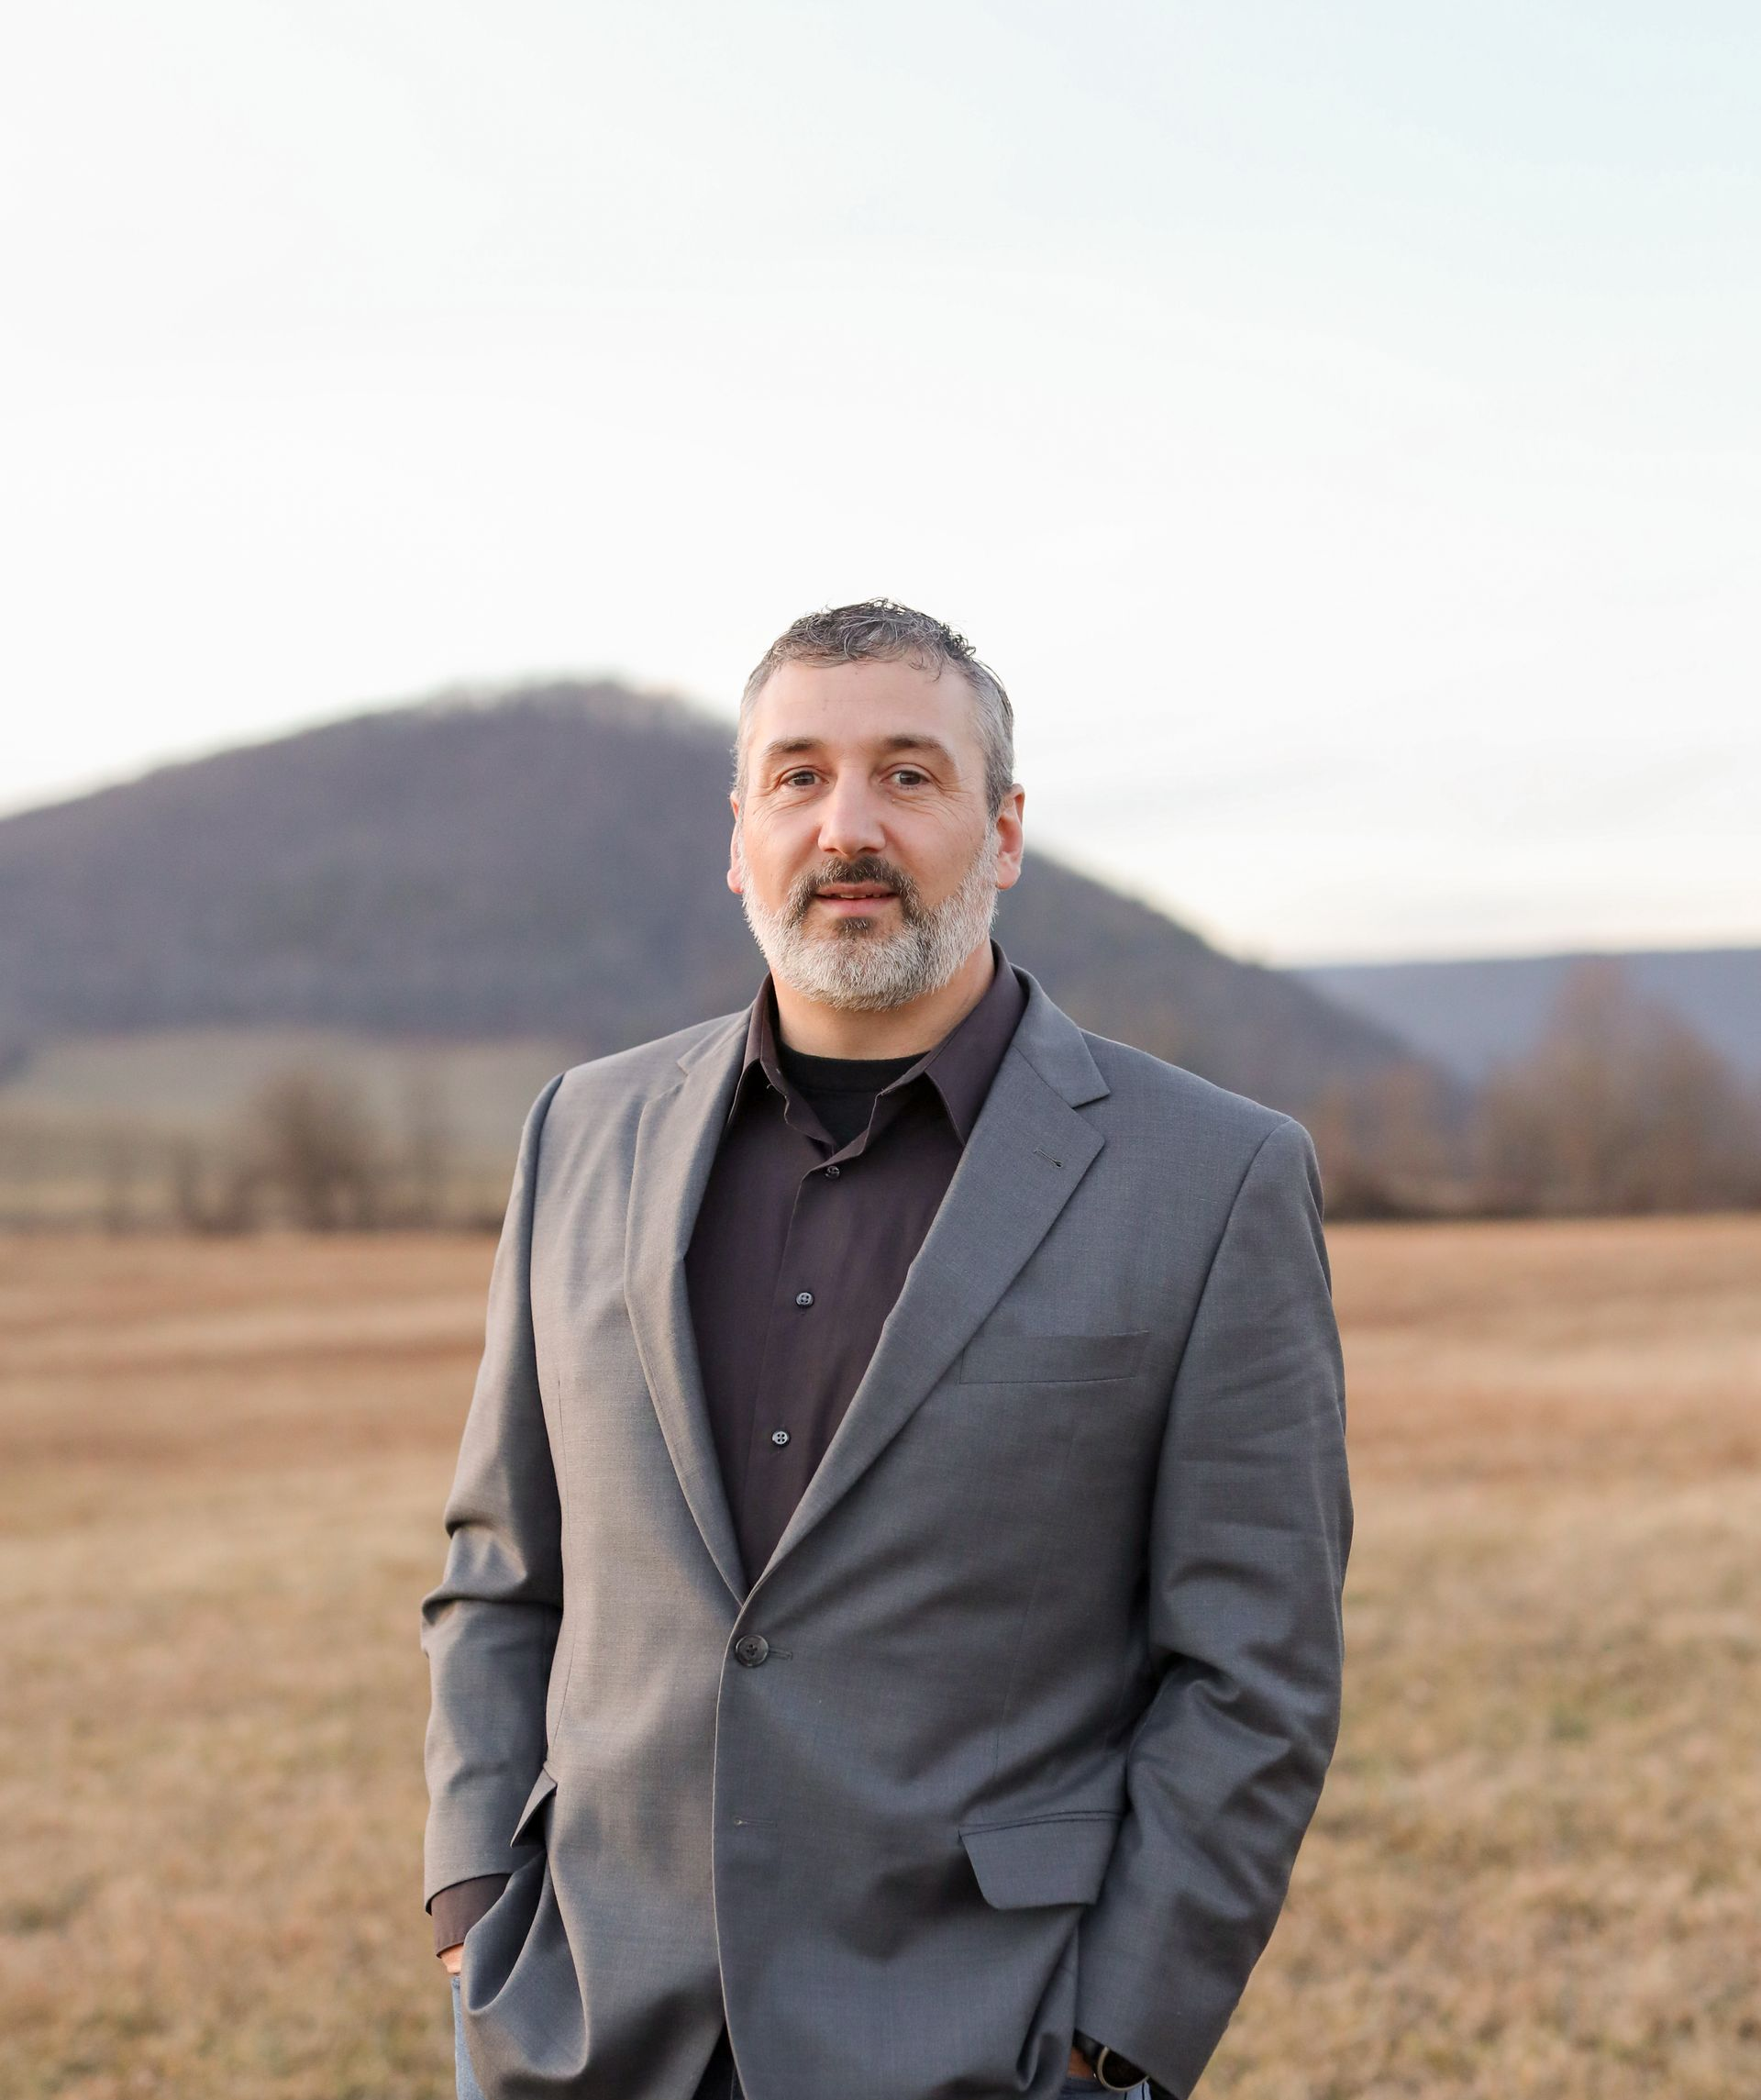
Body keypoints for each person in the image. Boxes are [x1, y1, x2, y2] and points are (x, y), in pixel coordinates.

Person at [421, 598, 1352, 2100]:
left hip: (982, 2037)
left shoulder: (1213, 1176)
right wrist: (476, 1905)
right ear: (740, 835)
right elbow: (499, 1569)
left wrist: (1120, 2043)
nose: (848, 824)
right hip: (583, 2028)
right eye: (798, 776)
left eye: (910, 776)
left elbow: (1255, 1672)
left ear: (1003, 830)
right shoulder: (580, 1131)